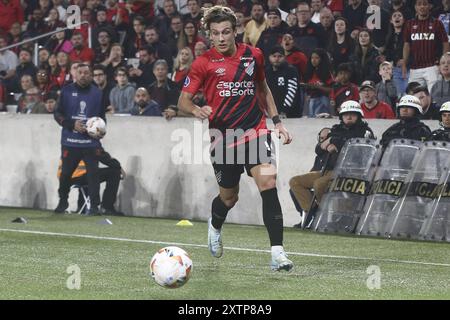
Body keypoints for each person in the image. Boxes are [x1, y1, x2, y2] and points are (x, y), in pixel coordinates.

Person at [177, 6, 294, 271]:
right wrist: (197, 109)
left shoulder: (254, 55)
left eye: (226, 32)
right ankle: (215, 224)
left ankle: (277, 253)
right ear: (209, 34)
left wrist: (277, 122)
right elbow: (183, 101)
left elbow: (262, 87)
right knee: (229, 198)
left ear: (235, 31)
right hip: (223, 137)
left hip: (255, 130)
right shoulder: (202, 63)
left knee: (268, 181)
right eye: (216, 33)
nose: (221, 38)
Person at [289, 100, 375, 229]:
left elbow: (357, 147)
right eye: (346, 114)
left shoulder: (365, 131)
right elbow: (318, 149)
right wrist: (326, 144)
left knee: (319, 184)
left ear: (359, 115)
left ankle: (324, 214)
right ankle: (312, 211)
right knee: (295, 182)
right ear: (341, 116)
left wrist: (334, 142)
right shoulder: (336, 129)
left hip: (350, 172)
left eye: (352, 114)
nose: (349, 117)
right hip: (328, 170)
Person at [53, 63, 105, 215]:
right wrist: (71, 124)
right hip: (70, 142)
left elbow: (102, 117)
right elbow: (57, 114)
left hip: (91, 143)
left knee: (93, 175)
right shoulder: (66, 91)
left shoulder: (98, 93)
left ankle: (95, 207)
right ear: (75, 74)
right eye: (80, 72)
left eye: (86, 73)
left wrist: (100, 131)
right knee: (65, 175)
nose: (83, 75)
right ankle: (63, 202)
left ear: (91, 75)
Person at [57, 148, 125, 216]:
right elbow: (105, 158)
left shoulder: (70, 143)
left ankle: (81, 207)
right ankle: (107, 207)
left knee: (90, 172)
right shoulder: (90, 144)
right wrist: (119, 167)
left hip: (65, 178)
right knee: (114, 173)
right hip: (81, 176)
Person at [402, 0, 449, 93]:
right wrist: (404, 63)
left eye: (424, 4)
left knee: (434, 96)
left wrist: (443, 62)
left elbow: (445, 42)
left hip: (432, 66)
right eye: (419, 4)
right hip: (414, 68)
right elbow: (406, 44)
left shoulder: (437, 23)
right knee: (414, 98)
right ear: (415, 7)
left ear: (429, 6)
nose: (422, 7)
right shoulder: (409, 24)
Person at [289, 127, 331, 228]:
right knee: (293, 190)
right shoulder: (320, 154)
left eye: (326, 138)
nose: (323, 140)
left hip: (327, 181)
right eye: (321, 138)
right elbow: (314, 170)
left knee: (318, 184)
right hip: (318, 178)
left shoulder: (333, 153)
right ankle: (307, 214)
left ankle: (315, 213)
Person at [265, 45, 302, 118]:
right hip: (272, 114)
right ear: (269, 57)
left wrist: (284, 111)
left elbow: (292, 91)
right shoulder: (266, 71)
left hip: (291, 114)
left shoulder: (291, 70)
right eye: (274, 56)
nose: (277, 59)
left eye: (280, 56)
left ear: (284, 57)